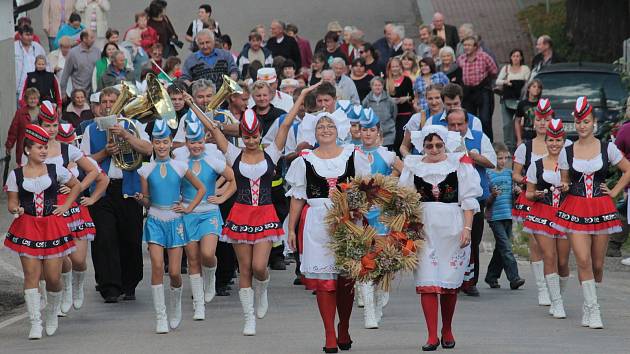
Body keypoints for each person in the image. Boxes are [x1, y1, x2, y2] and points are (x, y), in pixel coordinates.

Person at [199, 91, 297, 335]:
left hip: (264, 214)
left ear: (259, 135)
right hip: (240, 214)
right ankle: (248, 318)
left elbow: (285, 123)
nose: (251, 140)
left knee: (259, 267)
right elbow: (213, 128)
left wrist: (302, 95)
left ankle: (263, 287)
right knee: (244, 269)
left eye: (254, 136)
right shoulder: (233, 155)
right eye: (247, 136)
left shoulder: (272, 153)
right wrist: (192, 104)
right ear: (241, 136)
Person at [399, 125, 481, 351]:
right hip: (423, 229)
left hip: (453, 228)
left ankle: (447, 328)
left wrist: (467, 229)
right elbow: (404, 201)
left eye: (438, 145)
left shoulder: (459, 165)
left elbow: (468, 201)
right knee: (427, 282)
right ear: (422, 147)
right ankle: (431, 335)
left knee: (448, 282)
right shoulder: (413, 166)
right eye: (429, 145)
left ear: (445, 145)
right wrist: (405, 230)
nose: (433, 149)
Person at [555, 97, 630, 329]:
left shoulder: (608, 147)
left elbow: (627, 170)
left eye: (586, 121)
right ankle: (593, 308)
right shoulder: (566, 151)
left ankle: (590, 304)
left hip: (601, 207)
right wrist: (564, 186)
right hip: (575, 208)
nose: (582, 126)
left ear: (594, 122)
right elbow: (564, 181)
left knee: (598, 264)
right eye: (578, 122)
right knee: (583, 259)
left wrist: (615, 192)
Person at [286, 108, 356, 352]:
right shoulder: (304, 160)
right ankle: (328, 333)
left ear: (339, 130)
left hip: (348, 221)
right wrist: (291, 229)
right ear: (314, 132)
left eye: (330, 126)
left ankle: (344, 326)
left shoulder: (353, 156)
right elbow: (297, 197)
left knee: (346, 279)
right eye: (321, 127)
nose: (326, 130)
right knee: (326, 281)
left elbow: (367, 193)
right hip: (317, 222)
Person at [4, 124, 82, 339]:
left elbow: (77, 186)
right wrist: (16, 209)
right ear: (28, 150)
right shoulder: (16, 174)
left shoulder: (56, 170)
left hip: (51, 226)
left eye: (45, 147)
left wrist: (65, 206)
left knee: (53, 278)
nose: (44, 151)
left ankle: (51, 313)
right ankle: (35, 322)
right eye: (40, 147)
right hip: (27, 226)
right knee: (31, 275)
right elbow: (12, 202)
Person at [80, 86, 153, 303]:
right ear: (99, 105)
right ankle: (109, 287)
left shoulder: (133, 124)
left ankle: (129, 283)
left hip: (128, 188)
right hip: (102, 190)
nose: (109, 105)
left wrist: (127, 136)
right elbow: (83, 161)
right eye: (106, 102)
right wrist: (105, 153)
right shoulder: (91, 129)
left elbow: (148, 150)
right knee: (104, 238)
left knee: (130, 238)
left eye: (113, 101)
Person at [34, 104, 107, 316]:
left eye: (54, 124)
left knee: (78, 260)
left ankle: (76, 286)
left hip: (72, 208)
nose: (51, 129)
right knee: (54, 256)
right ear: (40, 125)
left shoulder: (68, 149)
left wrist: (82, 189)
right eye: (47, 125)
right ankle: (62, 291)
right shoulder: (34, 150)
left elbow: (95, 171)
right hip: (47, 209)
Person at [134, 120, 205, 333]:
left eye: (165, 142)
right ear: (153, 144)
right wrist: (141, 200)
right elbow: (147, 200)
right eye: (158, 142)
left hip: (175, 221)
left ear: (171, 143)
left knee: (174, 272)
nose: (162, 146)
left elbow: (200, 189)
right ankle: (160, 317)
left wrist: (189, 207)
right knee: (156, 266)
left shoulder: (180, 166)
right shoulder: (145, 169)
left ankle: (175, 306)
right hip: (155, 220)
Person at [174, 119, 236, 317]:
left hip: (209, 211)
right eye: (192, 142)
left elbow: (234, 178)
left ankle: (210, 281)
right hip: (188, 214)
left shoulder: (213, 159)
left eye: (199, 141)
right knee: (193, 260)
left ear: (204, 140)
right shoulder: (180, 161)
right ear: (186, 143)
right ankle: (198, 304)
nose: (196, 146)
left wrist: (222, 196)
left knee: (208, 255)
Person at [354, 109, 402, 329]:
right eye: (364, 130)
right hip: (362, 213)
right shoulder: (352, 153)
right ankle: (369, 313)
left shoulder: (387, 155)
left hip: (382, 214)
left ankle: (380, 299)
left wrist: (388, 181)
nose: (367, 134)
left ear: (378, 133)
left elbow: (406, 171)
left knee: (383, 262)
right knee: (365, 261)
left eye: (371, 130)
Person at [522, 119, 570, 318]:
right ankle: (556, 302)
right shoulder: (536, 164)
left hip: (566, 214)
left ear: (563, 141)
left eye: (558, 140)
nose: (554, 144)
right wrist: (537, 195)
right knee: (549, 256)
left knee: (563, 262)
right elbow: (528, 194)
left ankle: (557, 294)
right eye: (551, 140)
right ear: (546, 141)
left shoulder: (571, 164)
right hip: (542, 213)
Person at [446, 108, 496, 297]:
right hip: (449, 198)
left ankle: (470, 281)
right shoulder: (440, 139)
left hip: (475, 198)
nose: (457, 128)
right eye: (452, 124)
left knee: (472, 239)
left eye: (460, 124)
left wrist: (474, 156)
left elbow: (492, 162)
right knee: (450, 238)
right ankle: (451, 279)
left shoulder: (478, 137)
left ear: (467, 123)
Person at [512, 98, 556, 307]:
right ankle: (542, 288)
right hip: (532, 199)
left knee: (553, 245)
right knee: (536, 244)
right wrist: (532, 184)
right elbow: (516, 174)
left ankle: (552, 283)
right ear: (534, 121)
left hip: (554, 200)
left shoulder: (560, 146)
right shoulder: (525, 147)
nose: (542, 123)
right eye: (539, 119)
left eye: (546, 119)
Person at [484, 142, 525, 290]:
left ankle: (491, 276)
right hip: (495, 217)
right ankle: (514, 278)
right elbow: (486, 200)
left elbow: (514, 193)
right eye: (499, 158)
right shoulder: (488, 174)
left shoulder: (509, 173)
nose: (502, 161)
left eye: (505, 158)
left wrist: (517, 192)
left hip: (508, 215)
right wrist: (493, 196)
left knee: (501, 248)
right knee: (506, 248)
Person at [457, 36, 498, 141]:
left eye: (469, 45)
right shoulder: (461, 59)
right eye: (465, 45)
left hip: (482, 89)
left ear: (475, 46)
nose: (466, 47)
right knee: (469, 119)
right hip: (467, 91)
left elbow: (494, 71)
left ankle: (489, 142)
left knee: (485, 119)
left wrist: (487, 81)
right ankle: (472, 142)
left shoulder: (484, 57)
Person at [496, 49, 531, 151]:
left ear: (521, 58)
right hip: (507, 98)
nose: (516, 58)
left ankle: (520, 145)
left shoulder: (525, 69)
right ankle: (508, 147)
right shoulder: (506, 68)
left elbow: (528, 82)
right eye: (514, 56)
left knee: (520, 123)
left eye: (518, 56)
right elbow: (498, 81)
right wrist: (505, 82)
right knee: (507, 124)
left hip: (520, 99)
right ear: (511, 58)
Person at [400, 84, 443, 157]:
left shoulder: (450, 118)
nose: (434, 102)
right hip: (420, 162)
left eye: (437, 98)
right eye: (430, 98)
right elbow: (404, 147)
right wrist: (412, 160)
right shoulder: (417, 118)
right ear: (426, 99)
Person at [386, 57, 415, 155]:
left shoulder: (407, 80)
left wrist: (405, 99)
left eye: (396, 66)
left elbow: (412, 96)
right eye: (392, 66)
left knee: (401, 138)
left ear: (400, 67)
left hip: (404, 113)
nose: (394, 68)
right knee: (392, 139)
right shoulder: (386, 81)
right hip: (390, 115)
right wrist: (390, 100)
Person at [60, 30, 100, 97]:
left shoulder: (97, 51)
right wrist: (63, 92)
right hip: (79, 94)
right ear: (84, 39)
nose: (94, 40)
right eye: (92, 38)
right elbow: (65, 74)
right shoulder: (73, 53)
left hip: (95, 93)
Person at [6, 88, 40, 165]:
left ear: (38, 99)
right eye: (30, 98)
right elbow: (13, 131)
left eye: (35, 98)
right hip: (23, 148)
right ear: (26, 100)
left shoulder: (42, 112)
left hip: (39, 147)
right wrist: (9, 145)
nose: (33, 101)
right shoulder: (20, 113)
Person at [362, 77, 397, 150]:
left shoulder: (389, 100)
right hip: (372, 135)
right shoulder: (367, 100)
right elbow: (364, 114)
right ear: (371, 87)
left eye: (379, 85)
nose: (377, 87)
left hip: (388, 134)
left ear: (383, 86)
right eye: (375, 85)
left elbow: (394, 114)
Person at [15, 25, 47, 102]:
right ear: (20, 35)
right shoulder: (14, 47)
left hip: (36, 87)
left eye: (31, 35)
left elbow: (47, 64)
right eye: (27, 35)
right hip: (19, 88)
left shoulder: (37, 47)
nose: (29, 37)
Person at [514, 79, 543, 146]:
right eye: (534, 86)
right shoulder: (522, 104)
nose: (536, 89)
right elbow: (517, 121)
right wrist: (519, 139)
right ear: (528, 89)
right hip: (527, 135)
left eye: (539, 87)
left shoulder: (542, 103)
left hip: (540, 135)